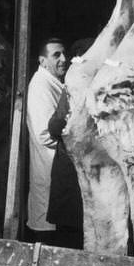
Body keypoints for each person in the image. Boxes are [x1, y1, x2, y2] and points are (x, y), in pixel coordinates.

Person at [45, 37, 93, 249]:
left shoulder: (75, 82)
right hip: (93, 169)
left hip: (73, 170)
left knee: (68, 240)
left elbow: (55, 126)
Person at [25, 37, 67, 244]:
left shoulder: (52, 83)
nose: (63, 59)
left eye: (63, 54)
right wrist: (73, 144)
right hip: (49, 165)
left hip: (56, 168)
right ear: (42, 61)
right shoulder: (40, 85)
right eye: (56, 55)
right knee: (47, 231)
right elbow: (44, 134)